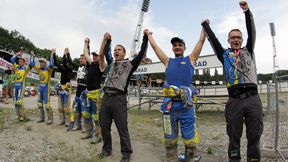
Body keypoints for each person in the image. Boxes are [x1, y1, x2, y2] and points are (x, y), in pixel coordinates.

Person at [201, 1, 263, 161]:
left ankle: (253, 159)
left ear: (242, 40)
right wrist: (205, 26)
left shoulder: (248, 50)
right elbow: (213, 41)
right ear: (228, 40)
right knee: (233, 138)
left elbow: (252, 32)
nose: (236, 40)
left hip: (253, 98)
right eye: (233, 38)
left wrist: (247, 12)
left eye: (238, 37)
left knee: (254, 137)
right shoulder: (224, 55)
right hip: (234, 100)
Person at [144, 26, 206, 162]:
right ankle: (171, 159)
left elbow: (201, 41)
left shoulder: (191, 59)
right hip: (169, 107)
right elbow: (155, 48)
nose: (177, 47)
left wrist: (205, 27)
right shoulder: (167, 61)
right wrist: (149, 35)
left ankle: (190, 158)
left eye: (180, 45)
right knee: (169, 139)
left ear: (184, 48)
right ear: (172, 48)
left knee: (190, 140)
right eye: (175, 45)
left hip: (186, 107)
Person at [98, 31, 148, 162]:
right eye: (115, 50)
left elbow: (142, 53)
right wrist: (108, 41)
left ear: (124, 53)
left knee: (122, 127)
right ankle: (106, 149)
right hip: (106, 97)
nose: (116, 51)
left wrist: (145, 38)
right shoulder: (111, 63)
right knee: (104, 125)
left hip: (119, 98)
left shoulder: (129, 64)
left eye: (119, 50)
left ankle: (126, 153)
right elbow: (106, 52)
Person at [81, 34, 113, 143]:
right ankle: (88, 132)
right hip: (88, 94)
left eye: (96, 55)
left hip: (96, 95)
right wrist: (86, 43)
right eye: (93, 55)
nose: (94, 56)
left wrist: (104, 40)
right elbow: (85, 54)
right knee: (86, 114)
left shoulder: (101, 66)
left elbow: (101, 53)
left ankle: (97, 135)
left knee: (96, 117)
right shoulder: (91, 64)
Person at [31, 49, 55, 125]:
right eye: (40, 62)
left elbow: (52, 64)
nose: (40, 63)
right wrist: (33, 55)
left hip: (46, 89)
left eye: (42, 62)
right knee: (39, 104)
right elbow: (32, 64)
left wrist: (52, 54)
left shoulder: (49, 70)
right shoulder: (39, 69)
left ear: (45, 63)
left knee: (47, 105)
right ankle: (41, 118)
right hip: (40, 88)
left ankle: (50, 119)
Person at [10, 48, 34, 121]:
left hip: (21, 87)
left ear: (24, 62)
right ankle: (18, 115)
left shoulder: (25, 68)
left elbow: (32, 64)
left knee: (19, 101)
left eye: (21, 61)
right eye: (19, 61)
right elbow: (12, 60)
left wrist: (32, 56)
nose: (19, 62)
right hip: (15, 87)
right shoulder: (16, 67)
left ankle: (22, 115)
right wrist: (18, 53)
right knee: (15, 102)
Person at [67, 51, 89, 131]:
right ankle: (78, 125)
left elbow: (88, 54)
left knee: (84, 111)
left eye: (82, 58)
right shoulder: (78, 67)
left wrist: (87, 46)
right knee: (75, 110)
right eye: (80, 58)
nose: (80, 60)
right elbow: (70, 62)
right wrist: (68, 54)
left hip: (84, 92)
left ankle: (86, 127)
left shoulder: (88, 67)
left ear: (86, 59)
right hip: (78, 91)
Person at [54, 48, 74, 127]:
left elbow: (66, 63)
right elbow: (56, 63)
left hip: (67, 90)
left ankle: (67, 121)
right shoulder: (62, 69)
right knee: (60, 107)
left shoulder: (70, 69)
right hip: (60, 90)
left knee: (66, 107)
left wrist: (66, 54)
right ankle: (62, 120)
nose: (62, 64)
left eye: (64, 62)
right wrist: (54, 54)